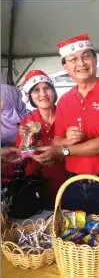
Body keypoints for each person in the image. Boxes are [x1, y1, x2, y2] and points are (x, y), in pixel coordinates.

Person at [35, 33, 99, 217]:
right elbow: (57, 141)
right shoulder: (65, 101)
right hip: (73, 183)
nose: (81, 63)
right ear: (65, 66)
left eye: (86, 56)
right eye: (73, 59)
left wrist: (65, 150)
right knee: (74, 240)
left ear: (95, 59)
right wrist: (66, 140)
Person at [16, 70, 67, 209]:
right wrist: (24, 139)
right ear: (30, 97)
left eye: (47, 88)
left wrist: (61, 154)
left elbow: (78, 147)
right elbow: (21, 157)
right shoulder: (27, 122)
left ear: (54, 91)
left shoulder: (68, 115)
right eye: (36, 90)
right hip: (40, 184)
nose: (43, 94)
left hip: (70, 182)